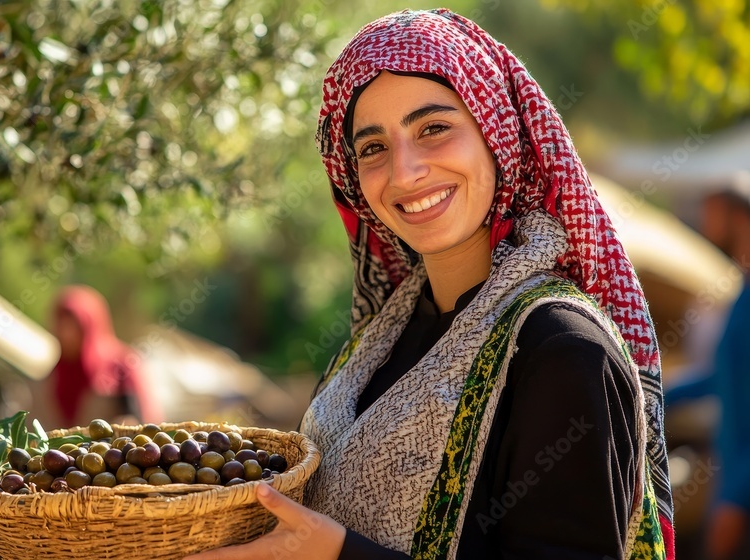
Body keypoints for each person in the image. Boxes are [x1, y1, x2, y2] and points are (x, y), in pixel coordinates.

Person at [186, 9, 674, 560]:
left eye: (434, 129)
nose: (404, 171)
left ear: (498, 137)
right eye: (373, 148)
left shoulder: (561, 348)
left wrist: (341, 554)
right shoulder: (378, 339)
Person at [665, 178, 750, 560]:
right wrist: (651, 394)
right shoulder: (741, 290)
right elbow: (726, 376)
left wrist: (737, 491)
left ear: (738, 216)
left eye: (713, 213)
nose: (704, 223)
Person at [49, 285, 161, 426]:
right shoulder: (55, 375)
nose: (66, 335)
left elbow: (140, 424)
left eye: (73, 327)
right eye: (61, 326)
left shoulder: (123, 364)